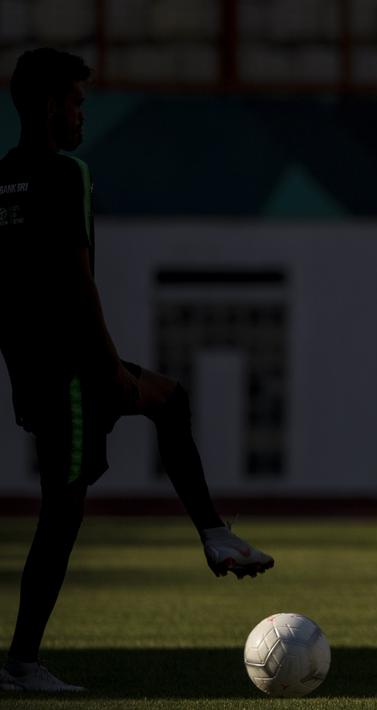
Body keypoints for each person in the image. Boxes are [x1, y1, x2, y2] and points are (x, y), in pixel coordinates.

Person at [0, 49, 273, 693]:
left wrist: (20, 373)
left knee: (171, 400)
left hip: (39, 369)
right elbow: (78, 284)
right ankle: (21, 664)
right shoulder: (68, 175)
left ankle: (215, 534)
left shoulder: (1, 180)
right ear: (49, 108)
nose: (81, 115)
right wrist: (108, 371)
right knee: (61, 514)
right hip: (72, 370)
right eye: (75, 102)